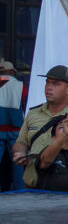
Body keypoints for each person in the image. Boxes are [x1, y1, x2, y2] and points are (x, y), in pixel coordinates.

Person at [12, 65, 68, 189]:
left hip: (65, 191)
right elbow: (21, 142)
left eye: (56, 84)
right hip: (32, 187)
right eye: (47, 83)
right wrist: (19, 152)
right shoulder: (33, 113)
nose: (49, 88)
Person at [0, 59, 25, 190]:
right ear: (11, 71)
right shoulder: (20, 85)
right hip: (16, 128)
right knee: (18, 162)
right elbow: (27, 104)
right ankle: (19, 190)